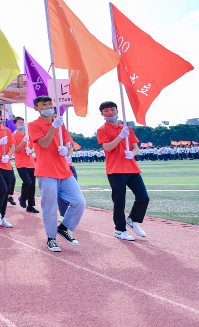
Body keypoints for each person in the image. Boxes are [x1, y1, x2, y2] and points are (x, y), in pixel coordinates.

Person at [28, 95, 86, 252]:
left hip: (64, 170)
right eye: (44, 105)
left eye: (49, 103)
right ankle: (51, 238)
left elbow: (68, 144)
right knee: (50, 207)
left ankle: (64, 227)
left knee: (79, 202)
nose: (48, 106)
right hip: (46, 171)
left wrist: (66, 151)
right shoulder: (34, 125)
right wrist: (53, 126)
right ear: (37, 109)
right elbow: (44, 144)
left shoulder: (60, 123)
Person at [96, 101, 149, 241]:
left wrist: (133, 153)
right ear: (102, 114)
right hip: (115, 170)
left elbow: (135, 147)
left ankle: (132, 219)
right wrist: (120, 136)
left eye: (112, 109)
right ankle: (119, 229)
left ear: (117, 111)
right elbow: (107, 148)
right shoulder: (102, 130)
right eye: (106, 111)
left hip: (132, 168)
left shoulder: (127, 129)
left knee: (143, 197)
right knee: (119, 202)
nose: (110, 112)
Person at [13, 116, 39, 213]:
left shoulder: (28, 135)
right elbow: (16, 149)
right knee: (27, 182)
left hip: (31, 163)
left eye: (22, 122)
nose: (21, 124)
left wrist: (30, 150)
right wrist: (23, 141)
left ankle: (30, 206)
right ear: (15, 124)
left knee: (32, 185)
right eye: (19, 122)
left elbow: (33, 147)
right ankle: (22, 198)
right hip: (21, 163)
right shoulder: (14, 136)